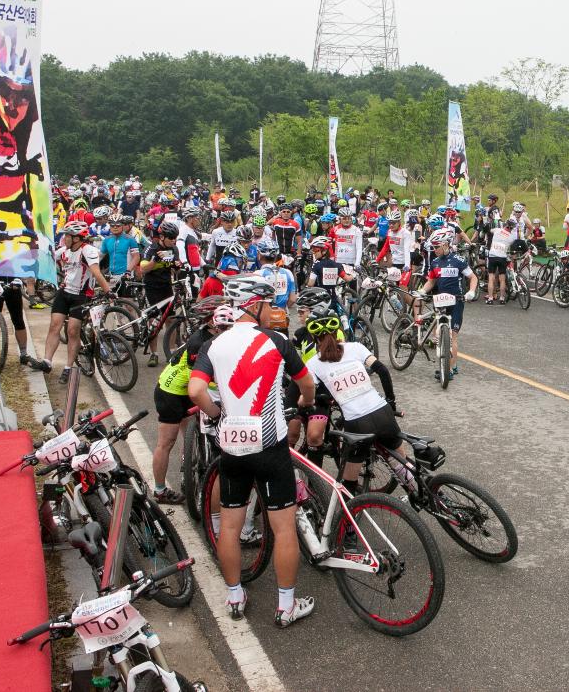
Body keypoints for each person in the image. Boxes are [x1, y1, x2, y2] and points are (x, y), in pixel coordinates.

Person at [187, 275, 317, 627]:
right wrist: (306, 402)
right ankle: (285, 605)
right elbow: (307, 383)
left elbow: (196, 390)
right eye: (268, 304)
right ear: (254, 304)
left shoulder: (215, 344)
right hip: (270, 444)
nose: (271, 311)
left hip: (233, 445)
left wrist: (217, 417)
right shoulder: (276, 341)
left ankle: (234, 596)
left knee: (230, 527)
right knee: (284, 527)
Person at [301, 305, 409, 501]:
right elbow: (383, 371)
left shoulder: (313, 364)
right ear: (338, 330)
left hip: (357, 423)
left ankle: (349, 529)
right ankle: (427, 498)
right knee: (403, 466)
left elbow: (307, 395)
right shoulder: (356, 347)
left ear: (314, 337)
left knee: (349, 485)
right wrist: (391, 403)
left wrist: (303, 403)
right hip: (383, 412)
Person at [151, 296, 228, 504]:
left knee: (192, 433)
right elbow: (203, 381)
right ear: (212, 321)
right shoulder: (199, 342)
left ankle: (188, 465)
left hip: (187, 389)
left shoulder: (217, 337)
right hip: (172, 392)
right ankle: (159, 490)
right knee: (166, 442)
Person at [30, 221, 111, 383]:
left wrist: (108, 291)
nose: (64, 238)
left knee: (73, 331)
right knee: (54, 325)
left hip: (81, 295)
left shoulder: (88, 251)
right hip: (65, 292)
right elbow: (46, 259)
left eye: (67, 235)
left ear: (77, 238)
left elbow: (95, 272)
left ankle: (68, 367)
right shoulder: (65, 251)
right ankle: (47, 362)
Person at [417, 228, 478, 380]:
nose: (434, 250)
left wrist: (471, 291)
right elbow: (431, 282)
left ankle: (449, 370)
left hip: (457, 301)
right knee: (439, 334)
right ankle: (451, 364)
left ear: (445, 245)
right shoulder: (435, 262)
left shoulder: (459, 260)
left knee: (453, 336)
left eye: (436, 246)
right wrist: (422, 291)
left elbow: (473, 277)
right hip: (441, 301)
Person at [137, 222, 183, 367]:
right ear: (162, 237)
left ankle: (171, 352)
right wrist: (155, 260)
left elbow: (175, 271)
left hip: (167, 287)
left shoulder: (174, 249)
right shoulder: (152, 248)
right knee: (153, 321)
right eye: (171, 238)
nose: (174, 240)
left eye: (175, 237)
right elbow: (143, 269)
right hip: (152, 287)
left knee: (170, 320)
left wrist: (177, 267)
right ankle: (153, 354)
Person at [485, 218, 516, 304]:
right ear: (512, 228)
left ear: (505, 224)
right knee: (502, 279)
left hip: (492, 256)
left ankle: (490, 298)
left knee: (491, 277)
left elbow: (489, 230)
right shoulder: (511, 237)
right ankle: (502, 298)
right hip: (502, 257)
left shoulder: (497, 230)